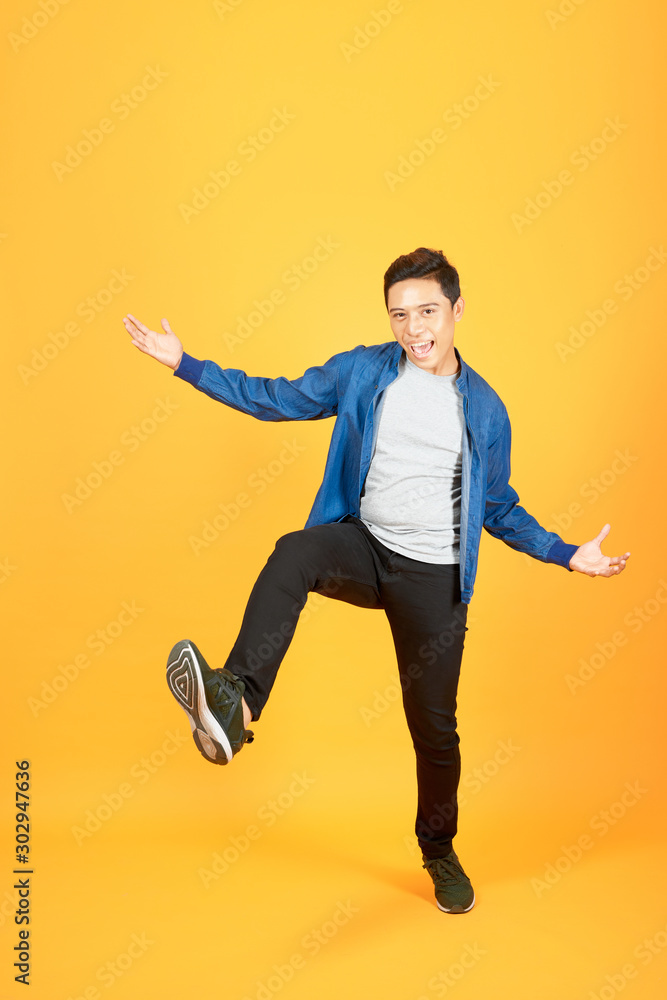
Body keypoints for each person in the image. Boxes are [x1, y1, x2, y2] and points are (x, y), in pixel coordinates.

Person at [122, 247, 630, 914]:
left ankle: (439, 850)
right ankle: (235, 704)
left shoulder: (484, 409)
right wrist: (186, 365)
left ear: (456, 310)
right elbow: (275, 398)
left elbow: (496, 506)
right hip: (365, 548)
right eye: (399, 315)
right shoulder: (362, 371)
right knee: (293, 553)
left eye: (427, 312)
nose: (414, 329)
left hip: (435, 580)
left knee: (434, 730)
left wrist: (565, 553)